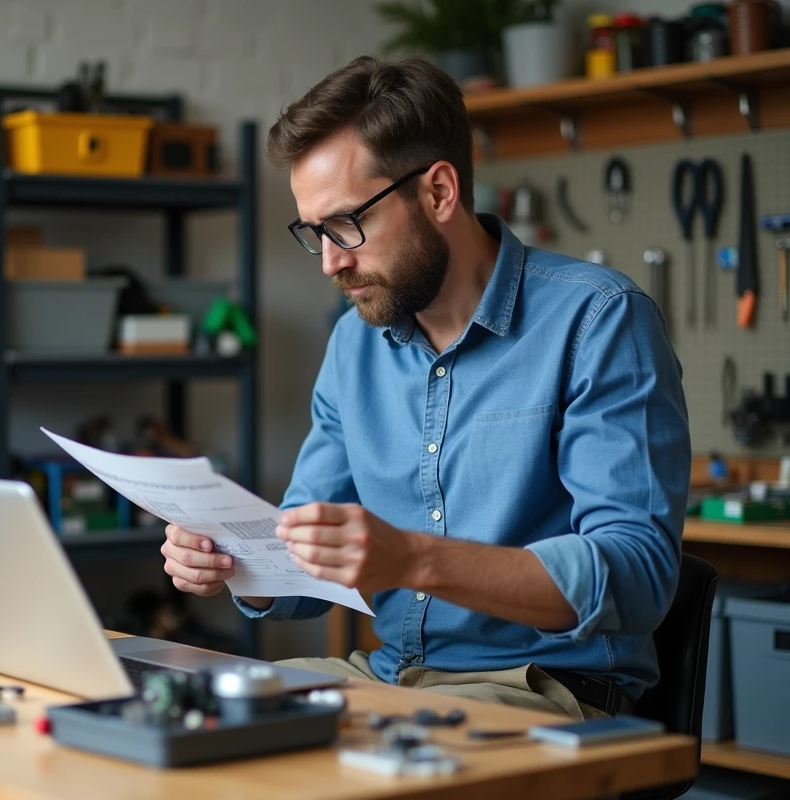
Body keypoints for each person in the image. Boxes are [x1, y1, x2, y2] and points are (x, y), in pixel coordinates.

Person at [160, 56, 690, 721]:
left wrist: (412, 559)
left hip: (538, 691)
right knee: (185, 718)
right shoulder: (354, 345)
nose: (330, 261)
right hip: (389, 679)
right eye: (314, 233)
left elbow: (637, 575)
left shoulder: (599, 320)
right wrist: (238, 564)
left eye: (348, 224)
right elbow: (306, 562)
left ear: (439, 192)